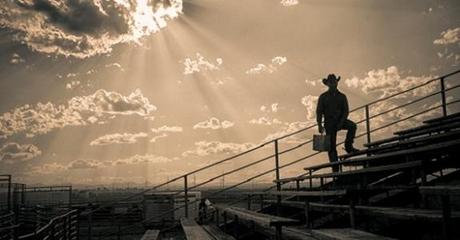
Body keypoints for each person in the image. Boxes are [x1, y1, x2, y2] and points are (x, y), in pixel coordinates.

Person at [316, 74, 359, 172]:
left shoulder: (342, 96)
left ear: (336, 83)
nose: (333, 84)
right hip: (329, 123)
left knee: (352, 126)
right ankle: (335, 169)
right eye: (331, 82)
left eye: (334, 82)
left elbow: (346, 111)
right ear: (328, 84)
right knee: (331, 147)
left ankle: (348, 146)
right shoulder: (323, 97)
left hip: (340, 120)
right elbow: (319, 111)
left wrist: (341, 122)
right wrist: (319, 124)